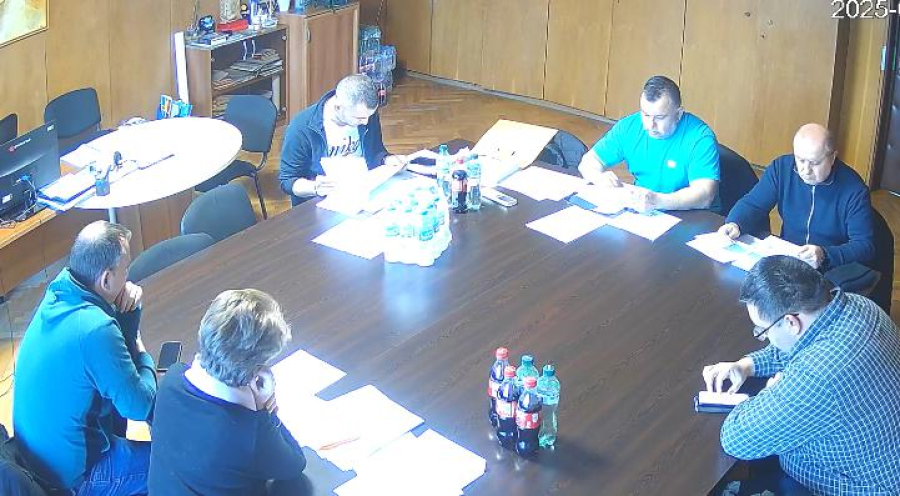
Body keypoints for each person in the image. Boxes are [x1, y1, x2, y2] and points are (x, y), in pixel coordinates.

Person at [703, 255, 900, 495]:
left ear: (791, 322)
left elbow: (736, 439)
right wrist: (747, 364)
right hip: (883, 456)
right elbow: (797, 345)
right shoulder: (860, 306)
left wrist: (771, 392)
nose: (763, 337)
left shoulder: (817, 376)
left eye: (762, 330)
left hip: (863, 485)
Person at [13, 221, 156, 495]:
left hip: (38, 460)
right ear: (106, 279)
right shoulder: (95, 329)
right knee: (176, 462)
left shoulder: (60, 291)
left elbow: (109, 361)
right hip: (73, 478)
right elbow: (139, 406)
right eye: (126, 269)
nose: (129, 276)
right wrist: (143, 355)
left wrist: (128, 312)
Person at [149, 289, 306, 495]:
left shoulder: (171, 378)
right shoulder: (246, 430)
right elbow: (294, 464)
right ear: (255, 368)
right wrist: (264, 411)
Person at [719, 123, 875, 271]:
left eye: (814, 163)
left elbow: (865, 245)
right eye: (800, 160)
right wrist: (735, 223)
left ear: (833, 157)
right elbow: (753, 203)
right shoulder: (782, 168)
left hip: (831, 267)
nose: (806, 170)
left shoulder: (854, 189)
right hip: (789, 258)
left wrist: (824, 254)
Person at [578, 75, 719, 211]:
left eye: (660, 117)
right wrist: (599, 178)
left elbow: (705, 195)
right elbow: (589, 161)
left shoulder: (700, 138)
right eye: (645, 115)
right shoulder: (629, 127)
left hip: (690, 213)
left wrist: (658, 201)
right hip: (645, 208)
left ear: (678, 114)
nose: (650, 125)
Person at [279, 74, 407, 205]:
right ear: (338, 107)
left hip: (362, 190)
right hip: (320, 201)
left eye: (369, 116)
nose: (365, 122)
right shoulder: (301, 128)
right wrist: (315, 187)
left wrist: (386, 159)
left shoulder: (365, 114)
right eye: (359, 118)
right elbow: (288, 180)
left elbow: (375, 152)